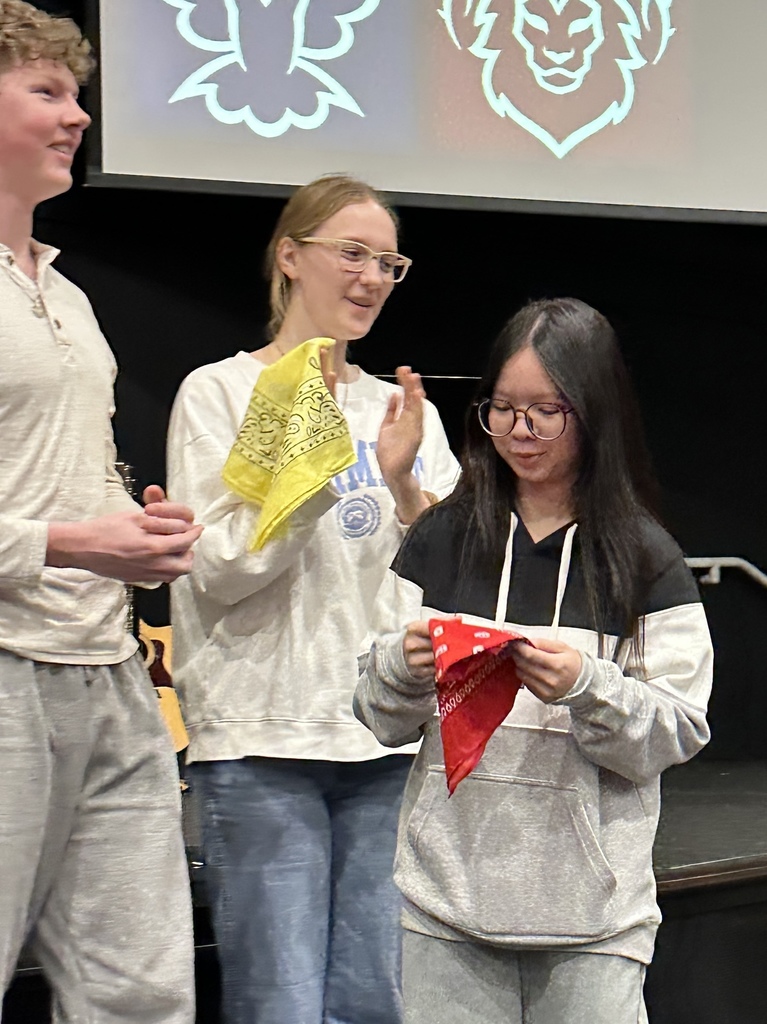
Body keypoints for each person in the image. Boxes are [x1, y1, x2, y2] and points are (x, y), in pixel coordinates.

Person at [355, 297, 713, 1024]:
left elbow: (677, 730)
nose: (520, 431)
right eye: (503, 408)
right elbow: (375, 712)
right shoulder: (441, 538)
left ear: (592, 412)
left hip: (594, 924)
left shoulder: (644, 559)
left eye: (545, 410)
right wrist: (404, 668)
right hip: (444, 912)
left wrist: (589, 689)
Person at [166, 173, 459, 1024]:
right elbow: (218, 569)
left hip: (384, 745)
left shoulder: (399, 409)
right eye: (352, 254)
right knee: (280, 1008)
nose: (370, 277)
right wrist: (313, 475)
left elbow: (448, 576)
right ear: (290, 257)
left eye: (388, 263)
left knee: (377, 1005)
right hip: (262, 741)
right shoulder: (221, 392)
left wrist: (403, 486)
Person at [0, 2, 201, 1020]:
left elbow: (65, 473)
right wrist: (74, 541)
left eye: (76, 94)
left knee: (145, 996)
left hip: (110, 673)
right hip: (3, 674)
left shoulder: (67, 296)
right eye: (48, 91)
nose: (77, 116)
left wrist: (134, 523)